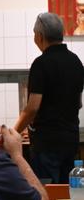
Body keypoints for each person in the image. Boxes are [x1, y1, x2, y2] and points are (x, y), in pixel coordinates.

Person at [15, 12, 84, 183]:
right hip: (70, 140)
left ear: (40, 36)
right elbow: (79, 103)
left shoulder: (41, 64)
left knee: (47, 192)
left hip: (47, 143)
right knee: (67, 192)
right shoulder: (76, 61)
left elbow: (33, 107)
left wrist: (14, 132)